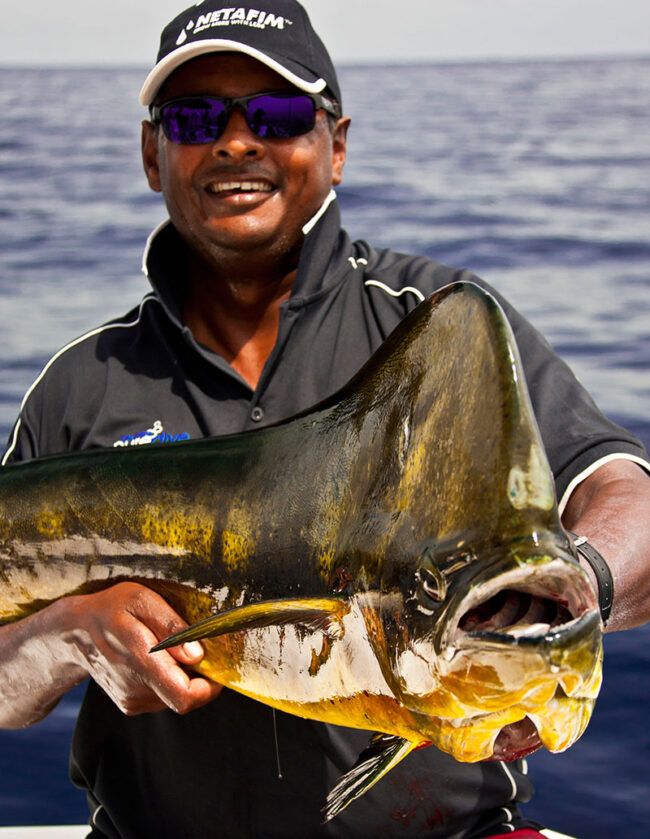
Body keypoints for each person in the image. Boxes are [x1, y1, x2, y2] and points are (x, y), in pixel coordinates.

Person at [1, 2, 649, 837]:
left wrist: (575, 592)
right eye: (197, 117)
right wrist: (66, 635)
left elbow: (623, 492)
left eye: (274, 114)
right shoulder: (79, 386)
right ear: (151, 152)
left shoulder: (439, 326)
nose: (237, 142)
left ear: (335, 145)